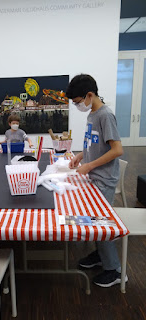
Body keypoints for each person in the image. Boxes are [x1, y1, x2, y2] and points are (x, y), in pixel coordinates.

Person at [66, 74, 126, 288]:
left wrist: (90, 165)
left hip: (104, 180)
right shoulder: (92, 114)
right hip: (93, 178)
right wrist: (81, 156)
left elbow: (117, 149)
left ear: (89, 95)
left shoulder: (105, 115)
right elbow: (93, 143)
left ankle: (115, 270)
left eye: (77, 102)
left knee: (100, 224)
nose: (77, 106)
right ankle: (101, 255)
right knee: (92, 221)